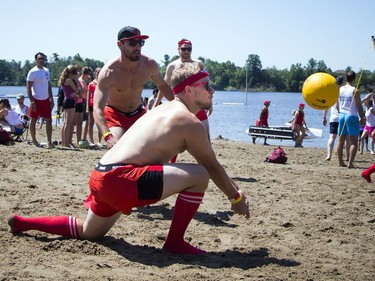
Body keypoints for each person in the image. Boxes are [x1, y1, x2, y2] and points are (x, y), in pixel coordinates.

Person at [7, 63, 250, 255]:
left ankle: (23, 222)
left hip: (101, 174)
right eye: (206, 85)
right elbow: (212, 166)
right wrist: (235, 197)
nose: (212, 90)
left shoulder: (161, 110)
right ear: (189, 90)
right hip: (119, 178)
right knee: (200, 175)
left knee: (88, 232)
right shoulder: (189, 122)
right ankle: (175, 242)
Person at [94, 26, 174, 149]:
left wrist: (180, 105)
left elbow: (162, 85)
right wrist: (107, 136)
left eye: (141, 42)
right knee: (118, 148)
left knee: (153, 147)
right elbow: (98, 108)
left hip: (138, 113)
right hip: (115, 114)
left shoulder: (149, 64)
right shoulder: (109, 72)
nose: (137, 47)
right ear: (120, 44)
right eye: (133, 42)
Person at [158, 39, 211, 140]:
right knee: (174, 139)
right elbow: (164, 86)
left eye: (189, 49)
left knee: (205, 136)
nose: (186, 51)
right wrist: (156, 104)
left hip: (198, 104)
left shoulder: (199, 64)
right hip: (180, 106)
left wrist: (209, 102)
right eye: (184, 49)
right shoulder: (172, 66)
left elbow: (206, 84)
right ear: (178, 49)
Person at [337, 70, 365, 168]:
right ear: (354, 79)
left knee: (341, 140)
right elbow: (359, 106)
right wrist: (362, 117)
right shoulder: (355, 90)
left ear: (346, 78)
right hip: (351, 115)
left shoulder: (340, 89)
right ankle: (350, 163)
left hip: (342, 115)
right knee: (354, 141)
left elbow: (337, 105)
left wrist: (340, 112)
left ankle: (340, 162)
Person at [26, 52, 55, 148]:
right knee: (33, 120)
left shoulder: (47, 70)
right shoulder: (32, 72)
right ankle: (34, 140)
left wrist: (51, 98)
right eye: (39, 58)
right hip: (36, 99)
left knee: (49, 120)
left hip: (45, 99)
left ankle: (49, 142)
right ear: (36, 60)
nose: (41, 60)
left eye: (43, 58)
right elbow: (28, 87)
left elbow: (48, 85)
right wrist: (32, 101)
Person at [58, 65, 80, 148]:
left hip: (66, 100)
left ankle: (64, 142)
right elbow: (77, 90)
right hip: (70, 101)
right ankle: (66, 143)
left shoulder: (64, 80)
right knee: (68, 123)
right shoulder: (70, 80)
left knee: (65, 123)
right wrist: (76, 81)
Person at [86, 67, 102, 146]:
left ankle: (99, 141)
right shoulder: (91, 84)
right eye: (97, 72)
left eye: (100, 72)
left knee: (100, 123)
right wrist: (87, 108)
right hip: (92, 105)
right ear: (95, 73)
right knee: (90, 123)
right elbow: (88, 96)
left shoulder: (103, 83)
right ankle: (91, 141)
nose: (98, 73)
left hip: (100, 105)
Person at [80, 67, 92, 142]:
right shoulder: (81, 81)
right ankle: (83, 137)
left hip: (84, 101)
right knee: (85, 120)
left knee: (86, 120)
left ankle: (84, 137)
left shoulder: (83, 81)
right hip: (83, 101)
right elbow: (85, 91)